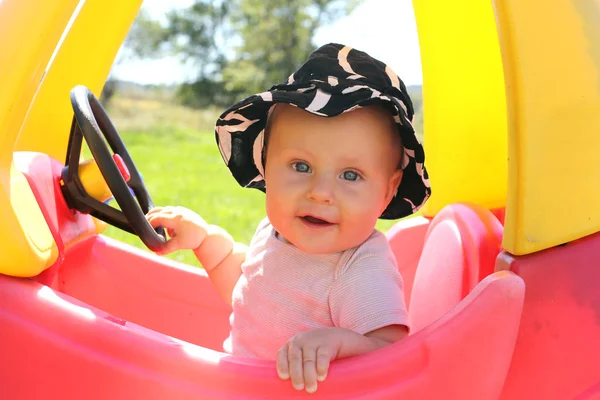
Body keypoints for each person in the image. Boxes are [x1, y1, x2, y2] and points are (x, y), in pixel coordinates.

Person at [146, 43, 431, 394]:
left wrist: (338, 343)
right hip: (237, 385)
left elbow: (391, 353)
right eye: (301, 166)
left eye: (351, 175)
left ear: (387, 192)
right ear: (266, 166)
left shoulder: (359, 268)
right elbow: (248, 294)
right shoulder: (277, 231)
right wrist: (205, 240)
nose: (320, 192)